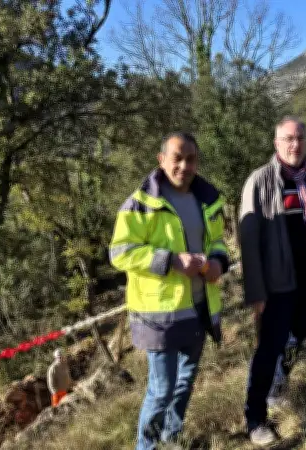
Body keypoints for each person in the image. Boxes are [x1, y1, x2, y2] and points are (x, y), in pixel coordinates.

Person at [109, 132, 230, 450]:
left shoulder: (209, 198)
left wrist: (218, 260)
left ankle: (171, 437)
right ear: (161, 160)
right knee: (161, 389)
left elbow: (218, 240)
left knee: (186, 381)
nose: (184, 165)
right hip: (158, 314)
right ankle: (145, 446)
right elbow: (120, 253)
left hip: (199, 307)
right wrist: (172, 261)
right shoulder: (140, 203)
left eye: (190, 158)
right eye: (177, 157)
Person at [239, 116, 306, 446]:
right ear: (276, 143)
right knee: (269, 348)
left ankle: (278, 389)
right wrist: (255, 290)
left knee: (295, 339)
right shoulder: (261, 180)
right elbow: (248, 242)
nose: (295, 145)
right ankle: (255, 418)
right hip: (276, 283)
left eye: (299, 138)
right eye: (287, 139)